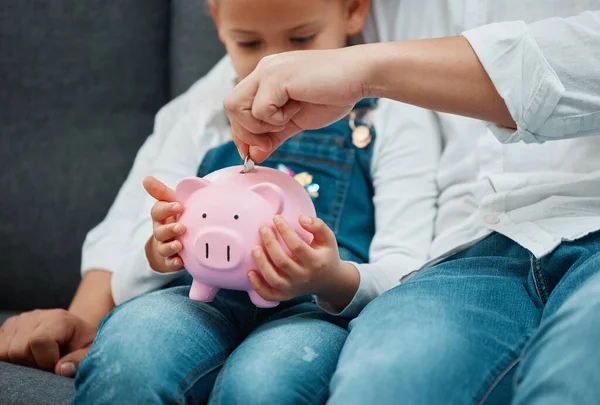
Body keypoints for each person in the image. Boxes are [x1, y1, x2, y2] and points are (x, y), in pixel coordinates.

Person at [0, 0, 441, 403]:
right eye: (249, 43)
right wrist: (161, 249)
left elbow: (405, 267)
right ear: (217, 23)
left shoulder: (394, 116)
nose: (275, 67)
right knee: (135, 351)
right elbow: (135, 254)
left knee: (266, 384)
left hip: (313, 313)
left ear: (352, 9)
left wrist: (330, 278)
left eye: (302, 39)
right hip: (192, 297)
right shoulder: (201, 115)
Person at [224, 2, 600, 404]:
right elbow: (269, 46)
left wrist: (364, 71)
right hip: (461, 253)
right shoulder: (378, 11)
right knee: (381, 388)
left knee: (576, 369)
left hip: (589, 222)